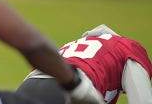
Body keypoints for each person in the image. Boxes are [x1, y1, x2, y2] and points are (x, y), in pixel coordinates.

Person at [16, 24, 152, 104]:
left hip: (27, 86)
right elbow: (142, 100)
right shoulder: (129, 49)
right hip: (67, 90)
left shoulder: (76, 46)